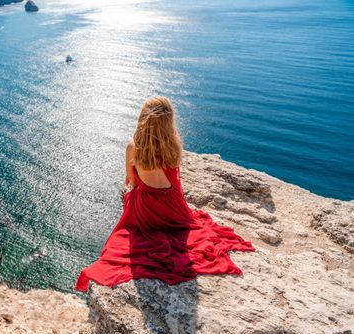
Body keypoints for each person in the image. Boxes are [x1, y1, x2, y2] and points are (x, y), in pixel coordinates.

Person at [75, 96, 255, 292]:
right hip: (174, 206)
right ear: (169, 121)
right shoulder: (174, 145)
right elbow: (176, 179)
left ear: (142, 119)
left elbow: (132, 181)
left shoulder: (132, 147)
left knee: (130, 191)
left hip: (146, 210)